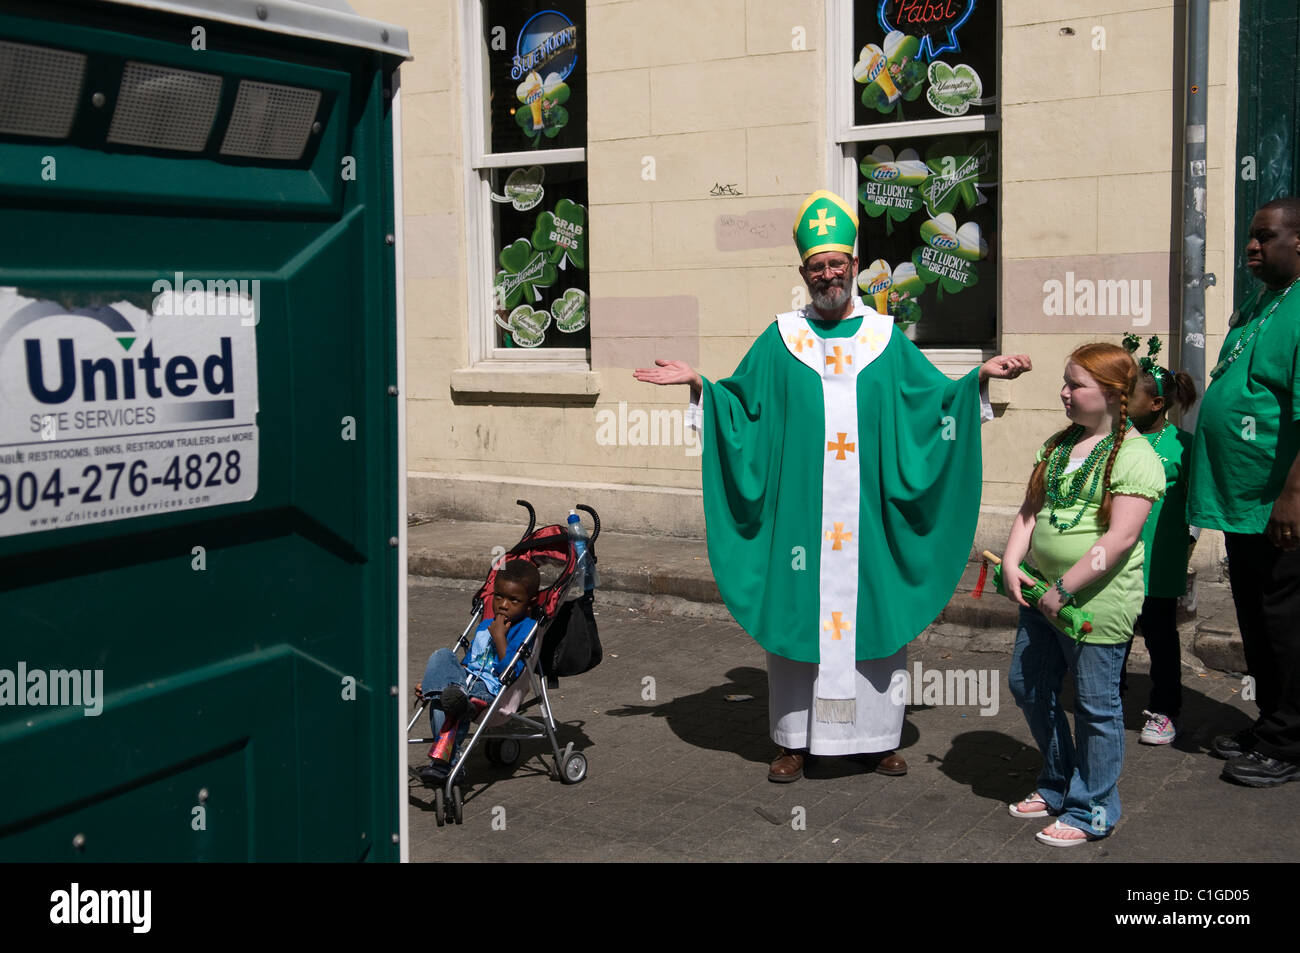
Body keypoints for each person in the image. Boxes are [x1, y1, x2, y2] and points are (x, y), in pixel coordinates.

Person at [634, 189, 1030, 783]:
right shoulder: (781, 337)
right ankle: (793, 741)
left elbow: (928, 402)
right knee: (799, 623)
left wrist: (975, 379)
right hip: (802, 523)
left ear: (852, 265)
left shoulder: (885, 337)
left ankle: (875, 738)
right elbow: (745, 406)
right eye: (816, 266)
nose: (827, 274)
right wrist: (702, 387)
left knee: (873, 615)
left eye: (836, 263)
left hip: (867, 516)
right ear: (804, 273)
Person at [1002, 343, 1164, 846]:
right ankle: (1057, 784)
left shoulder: (1136, 455)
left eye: (1076, 384)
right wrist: (1011, 560)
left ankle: (1093, 806)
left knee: (1095, 706)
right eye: (1065, 382)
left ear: (1113, 395)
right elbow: (1031, 510)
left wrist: (1065, 589)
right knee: (1028, 685)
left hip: (1093, 604)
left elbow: (1119, 538)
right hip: (1041, 596)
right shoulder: (1056, 446)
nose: (1064, 392)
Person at [1188, 197, 1300, 787]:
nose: (1251, 247)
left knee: (1286, 625)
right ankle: (1271, 722)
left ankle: (1290, 743)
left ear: (1299, 241)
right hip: (1243, 502)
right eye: (1251, 238)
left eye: (1265, 237)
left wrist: (1292, 498)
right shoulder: (1263, 303)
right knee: (1257, 620)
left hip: (1278, 507)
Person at [1121, 340, 1198, 745]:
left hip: (1159, 560)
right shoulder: (1117, 439)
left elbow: (1196, 501)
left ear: (1155, 405)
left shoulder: (1183, 447)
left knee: (1160, 637)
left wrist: (1187, 543)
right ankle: (1110, 700)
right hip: (1118, 559)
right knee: (1114, 633)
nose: (1121, 398)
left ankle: (1165, 710)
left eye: (1130, 393)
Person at [414, 559, 540, 784]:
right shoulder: (486, 624)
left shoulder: (527, 628)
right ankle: (443, 692)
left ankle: (444, 763)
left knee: (454, 703)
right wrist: (436, 682)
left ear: (528, 604)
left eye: (514, 600)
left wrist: (500, 637)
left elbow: (511, 672)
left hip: (491, 690)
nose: (503, 605)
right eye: (499, 596)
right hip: (466, 682)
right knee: (442, 656)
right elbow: (469, 662)